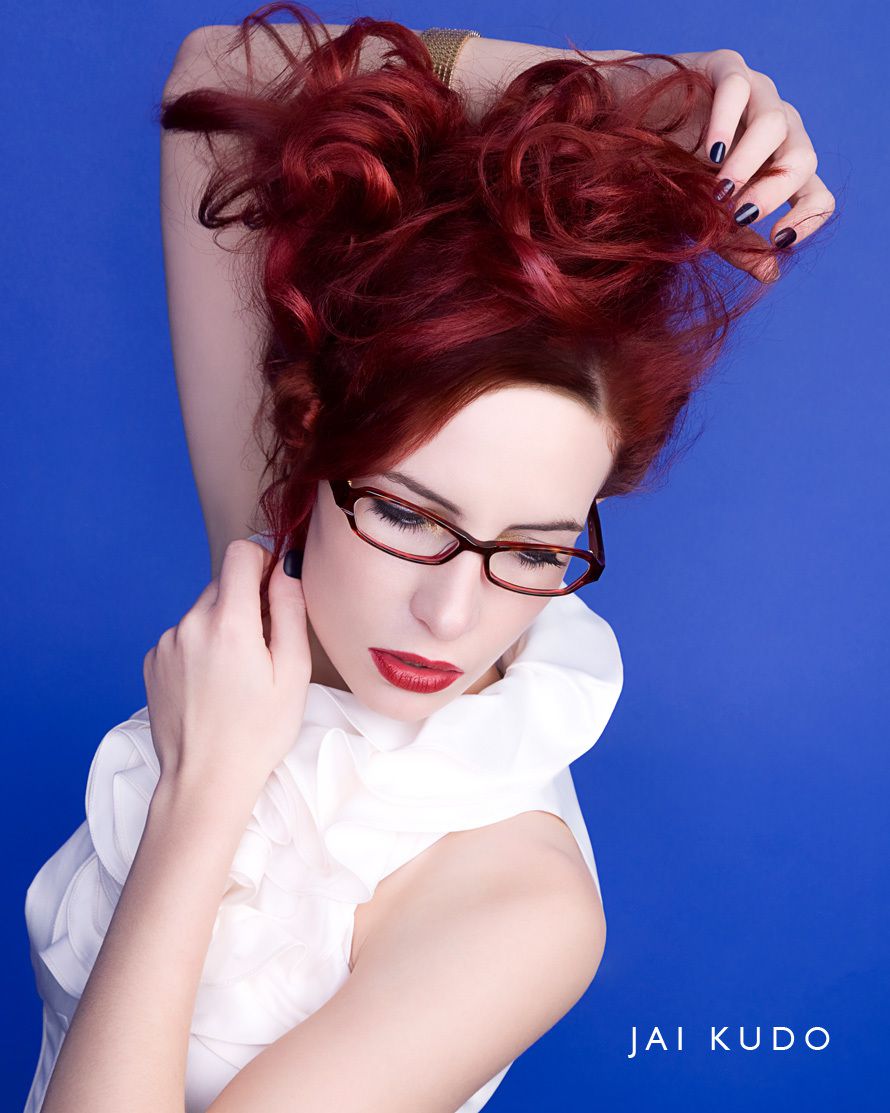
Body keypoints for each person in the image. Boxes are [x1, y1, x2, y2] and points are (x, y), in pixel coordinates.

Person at [22, 5, 836, 1112]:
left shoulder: (523, 908)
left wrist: (204, 795)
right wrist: (640, 95)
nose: (451, 617)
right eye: (408, 516)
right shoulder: (278, 564)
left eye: (534, 549)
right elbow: (220, 77)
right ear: (315, 448)